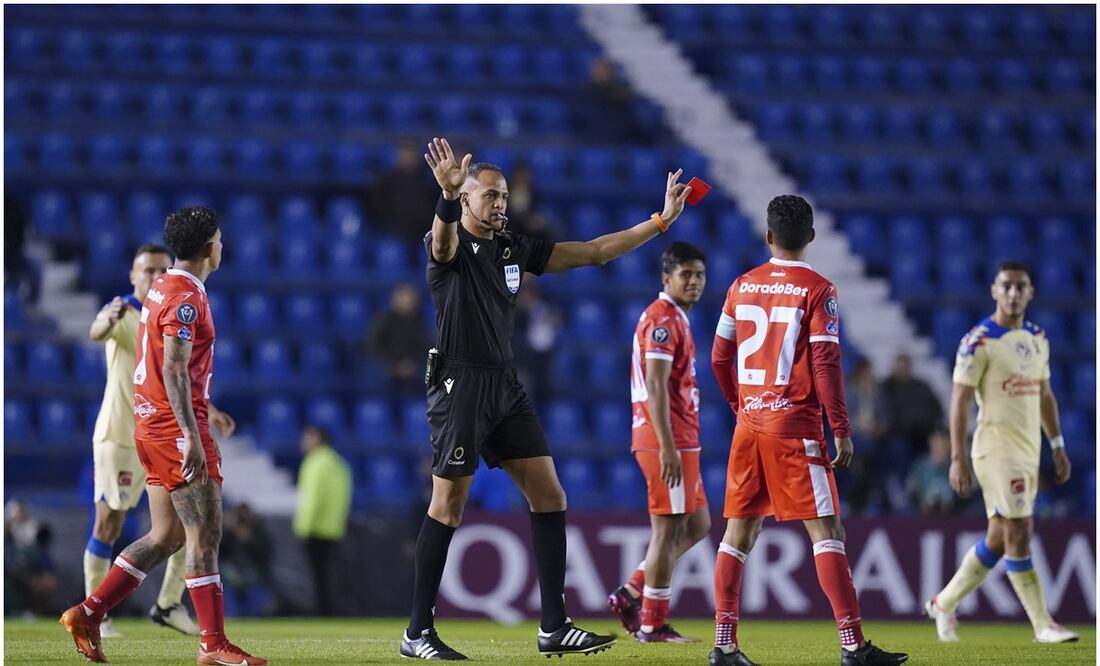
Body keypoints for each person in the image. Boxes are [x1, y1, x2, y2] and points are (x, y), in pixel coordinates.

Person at [400, 136, 693, 661]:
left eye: (503, 196)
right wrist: (443, 198)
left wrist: (661, 222)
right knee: (448, 504)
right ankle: (416, 632)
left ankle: (553, 626)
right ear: (465, 199)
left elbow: (595, 251)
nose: (499, 204)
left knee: (550, 495)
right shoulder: (445, 246)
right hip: (460, 384)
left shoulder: (513, 247)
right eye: (489, 195)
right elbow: (442, 244)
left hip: (505, 384)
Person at [60, 207, 266, 665]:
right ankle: (212, 644)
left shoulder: (159, 289)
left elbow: (158, 366)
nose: (223, 244)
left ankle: (88, 611)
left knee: (166, 536)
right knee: (203, 535)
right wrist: (193, 433)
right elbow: (173, 367)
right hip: (175, 431)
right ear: (210, 247)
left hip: (151, 427)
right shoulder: (186, 297)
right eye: (220, 237)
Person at [708, 195, 908, 666]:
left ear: (768, 236)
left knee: (738, 533)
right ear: (811, 237)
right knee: (827, 530)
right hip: (794, 426)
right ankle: (853, 645)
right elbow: (825, 361)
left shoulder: (741, 285)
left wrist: (740, 403)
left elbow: (719, 356)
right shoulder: (820, 290)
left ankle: (724, 644)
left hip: (749, 425)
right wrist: (840, 426)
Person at [924, 262, 1078, 644]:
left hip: (1028, 450)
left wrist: (1057, 444)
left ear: (1030, 293)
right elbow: (959, 404)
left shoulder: (1038, 338)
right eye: (1006, 286)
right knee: (1020, 530)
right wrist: (957, 458)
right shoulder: (978, 341)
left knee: (998, 536)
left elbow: (1044, 395)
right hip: (994, 449)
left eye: (1020, 286)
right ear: (994, 290)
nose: (1012, 293)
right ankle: (1042, 623)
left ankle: (943, 603)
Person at [83, 243, 211, 638]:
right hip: (120, 437)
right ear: (132, 276)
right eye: (147, 270)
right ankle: (96, 614)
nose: (155, 276)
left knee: (187, 520)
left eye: (161, 269)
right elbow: (96, 331)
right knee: (109, 523)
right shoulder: (125, 315)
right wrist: (105, 319)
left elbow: (172, 375)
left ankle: (168, 603)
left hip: (159, 437)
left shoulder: (164, 317)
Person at [606, 242, 710, 643]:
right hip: (667, 438)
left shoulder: (677, 318)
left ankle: (632, 590)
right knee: (667, 530)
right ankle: (652, 623)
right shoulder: (662, 319)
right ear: (666, 278)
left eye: (699, 275)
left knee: (698, 523)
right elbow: (654, 383)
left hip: (681, 437)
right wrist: (667, 445)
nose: (695, 282)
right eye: (686, 275)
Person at [293, 425, 352, 617]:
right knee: (330, 575)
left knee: (318, 577)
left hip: (315, 529)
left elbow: (312, 499)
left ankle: (322, 613)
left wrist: (304, 526)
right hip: (334, 528)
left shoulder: (315, 463)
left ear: (317, 439)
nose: (303, 442)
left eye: (307, 438)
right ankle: (333, 612)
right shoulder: (339, 463)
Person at [367, 282, 430, 396]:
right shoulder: (383, 322)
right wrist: (393, 367)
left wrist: (413, 366)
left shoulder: (421, 323)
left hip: (414, 371)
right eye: (403, 298)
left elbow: (425, 347)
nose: (407, 302)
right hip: (388, 370)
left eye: (410, 299)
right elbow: (374, 347)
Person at [879, 353, 944, 457]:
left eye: (905, 367)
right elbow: (886, 413)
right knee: (899, 446)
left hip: (925, 430)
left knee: (939, 441)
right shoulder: (886, 388)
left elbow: (937, 409)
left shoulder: (921, 386)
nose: (902, 371)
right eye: (899, 367)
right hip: (899, 432)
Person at [5, 500, 57, 616]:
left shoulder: (33, 539)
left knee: (47, 583)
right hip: (12, 576)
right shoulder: (7, 544)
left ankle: (35, 613)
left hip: (28, 574)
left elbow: (43, 562)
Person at [221, 503, 274, 617]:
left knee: (254, 609)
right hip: (230, 578)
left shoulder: (259, 533)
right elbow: (218, 556)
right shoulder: (226, 534)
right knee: (232, 606)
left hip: (255, 578)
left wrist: (249, 540)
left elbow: (265, 558)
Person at [906, 428, 956, 515]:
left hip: (954, 515)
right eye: (938, 440)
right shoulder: (920, 466)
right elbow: (911, 490)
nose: (941, 444)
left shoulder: (956, 466)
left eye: (945, 440)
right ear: (931, 441)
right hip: (923, 515)